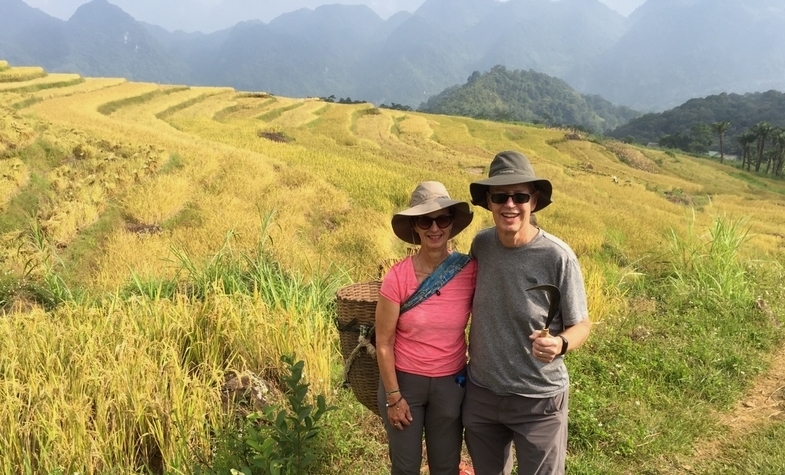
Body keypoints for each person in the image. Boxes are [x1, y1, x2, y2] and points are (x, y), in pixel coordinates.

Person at [463, 151, 591, 475]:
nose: (510, 205)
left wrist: (560, 344)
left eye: (519, 196)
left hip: (539, 400)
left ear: (533, 201)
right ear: (489, 202)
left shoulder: (557, 257)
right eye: (500, 196)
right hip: (482, 394)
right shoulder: (482, 245)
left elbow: (582, 325)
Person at [376, 181, 477, 475]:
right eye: (425, 220)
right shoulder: (396, 278)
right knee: (405, 467)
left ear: (451, 223)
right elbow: (383, 341)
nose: (435, 228)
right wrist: (394, 397)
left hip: (450, 384)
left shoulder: (469, 270)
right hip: (404, 383)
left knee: (445, 467)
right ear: (415, 227)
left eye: (442, 219)